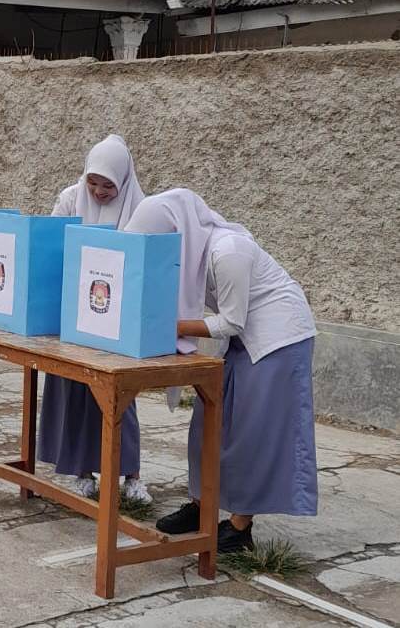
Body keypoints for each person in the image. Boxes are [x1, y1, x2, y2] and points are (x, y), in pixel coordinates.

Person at [124, 188, 318, 553]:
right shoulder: (191, 258)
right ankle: (201, 506)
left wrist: (171, 327)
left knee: (250, 433)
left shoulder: (228, 251)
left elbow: (230, 320)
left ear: (174, 231)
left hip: (279, 339)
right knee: (206, 424)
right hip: (245, 340)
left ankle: (241, 525)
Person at [40, 135, 151, 502]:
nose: (99, 192)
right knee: (74, 388)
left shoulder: (140, 208)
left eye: (108, 185)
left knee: (118, 396)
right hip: (74, 309)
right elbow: (53, 242)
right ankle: (82, 470)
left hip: (115, 314)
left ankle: (131, 475)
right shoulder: (71, 198)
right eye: (93, 183)